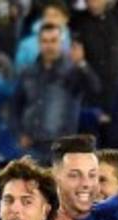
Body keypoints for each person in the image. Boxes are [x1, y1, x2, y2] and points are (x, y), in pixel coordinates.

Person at [11, 22, 100, 162]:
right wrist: (19, 133)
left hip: (62, 147)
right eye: (45, 41)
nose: (49, 46)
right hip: (31, 146)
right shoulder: (28, 72)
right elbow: (15, 106)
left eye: (53, 41)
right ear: (38, 43)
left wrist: (82, 64)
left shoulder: (73, 71)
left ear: (61, 42)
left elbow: (94, 89)